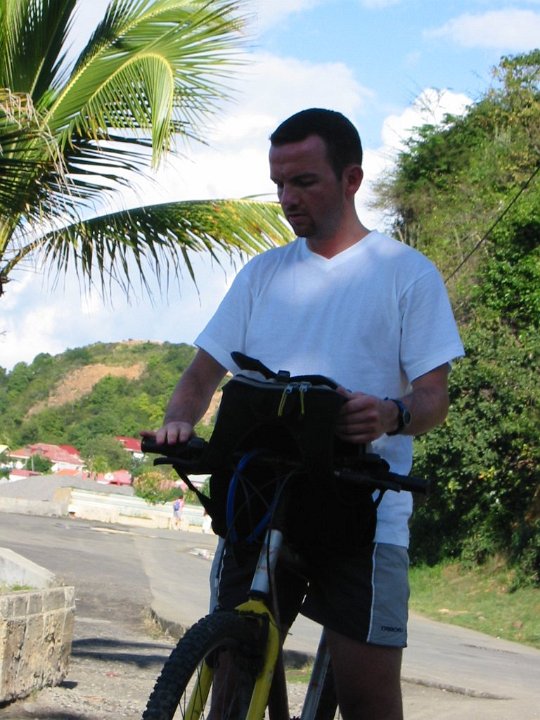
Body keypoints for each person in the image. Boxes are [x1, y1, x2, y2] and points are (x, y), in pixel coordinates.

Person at [142, 108, 464, 720]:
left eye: (304, 182)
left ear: (352, 179)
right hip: (259, 498)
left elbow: (433, 397)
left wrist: (391, 414)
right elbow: (200, 376)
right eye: (279, 183)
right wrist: (179, 420)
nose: (287, 198)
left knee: (367, 697)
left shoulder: (407, 276)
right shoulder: (262, 274)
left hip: (362, 509)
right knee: (232, 676)